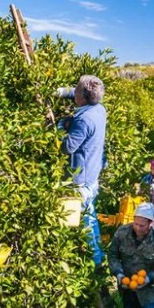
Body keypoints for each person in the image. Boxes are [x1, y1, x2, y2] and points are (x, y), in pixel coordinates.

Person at [56, 75, 107, 267]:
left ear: (83, 97)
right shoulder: (99, 109)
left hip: (81, 179)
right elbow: (81, 92)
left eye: (76, 90)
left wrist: (61, 124)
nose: (74, 92)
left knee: (83, 222)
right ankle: (99, 257)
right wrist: (62, 92)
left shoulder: (83, 119)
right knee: (91, 218)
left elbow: (67, 147)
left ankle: (94, 265)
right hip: (92, 175)